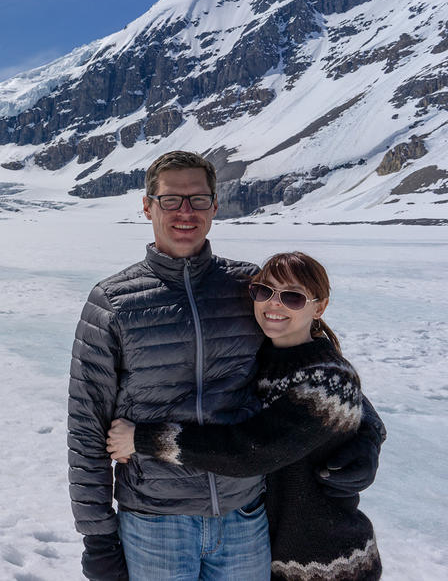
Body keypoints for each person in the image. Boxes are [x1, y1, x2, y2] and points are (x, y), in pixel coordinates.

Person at [67, 151, 385, 580]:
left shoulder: (248, 288)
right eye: (171, 200)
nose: (185, 212)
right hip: (155, 521)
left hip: (244, 518)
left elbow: (317, 370)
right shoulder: (113, 303)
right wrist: (97, 537)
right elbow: (86, 426)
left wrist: (366, 437)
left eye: (198, 200)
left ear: (215, 206)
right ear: (147, 206)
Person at [107, 252, 381, 580]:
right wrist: (371, 433)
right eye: (264, 292)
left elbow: (252, 451)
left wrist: (142, 438)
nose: (274, 305)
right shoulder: (262, 356)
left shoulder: (326, 378)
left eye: (292, 297)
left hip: (330, 562)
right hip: (273, 553)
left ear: (319, 307)